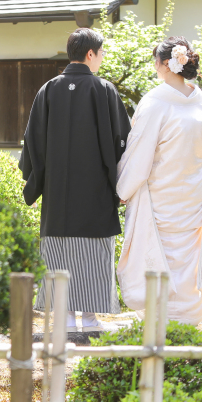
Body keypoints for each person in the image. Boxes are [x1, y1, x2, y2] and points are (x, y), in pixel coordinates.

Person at [20, 28, 132, 332]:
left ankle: (65, 320)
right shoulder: (104, 90)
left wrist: (35, 180)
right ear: (91, 54)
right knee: (94, 253)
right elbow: (123, 140)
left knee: (59, 251)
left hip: (58, 195)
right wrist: (122, 183)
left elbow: (32, 141)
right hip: (95, 193)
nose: (102, 59)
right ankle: (91, 319)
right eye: (101, 53)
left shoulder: (48, 90)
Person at [116, 36, 202, 325]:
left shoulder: (155, 102)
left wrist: (122, 189)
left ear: (166, 64)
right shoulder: (200, 100)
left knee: (159, 252)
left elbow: (138, 154)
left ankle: (161, 322)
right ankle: (189, 320)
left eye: (156, 60)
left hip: (160, 195)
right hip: (193, 195)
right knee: (189, 255)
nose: (154, 66)